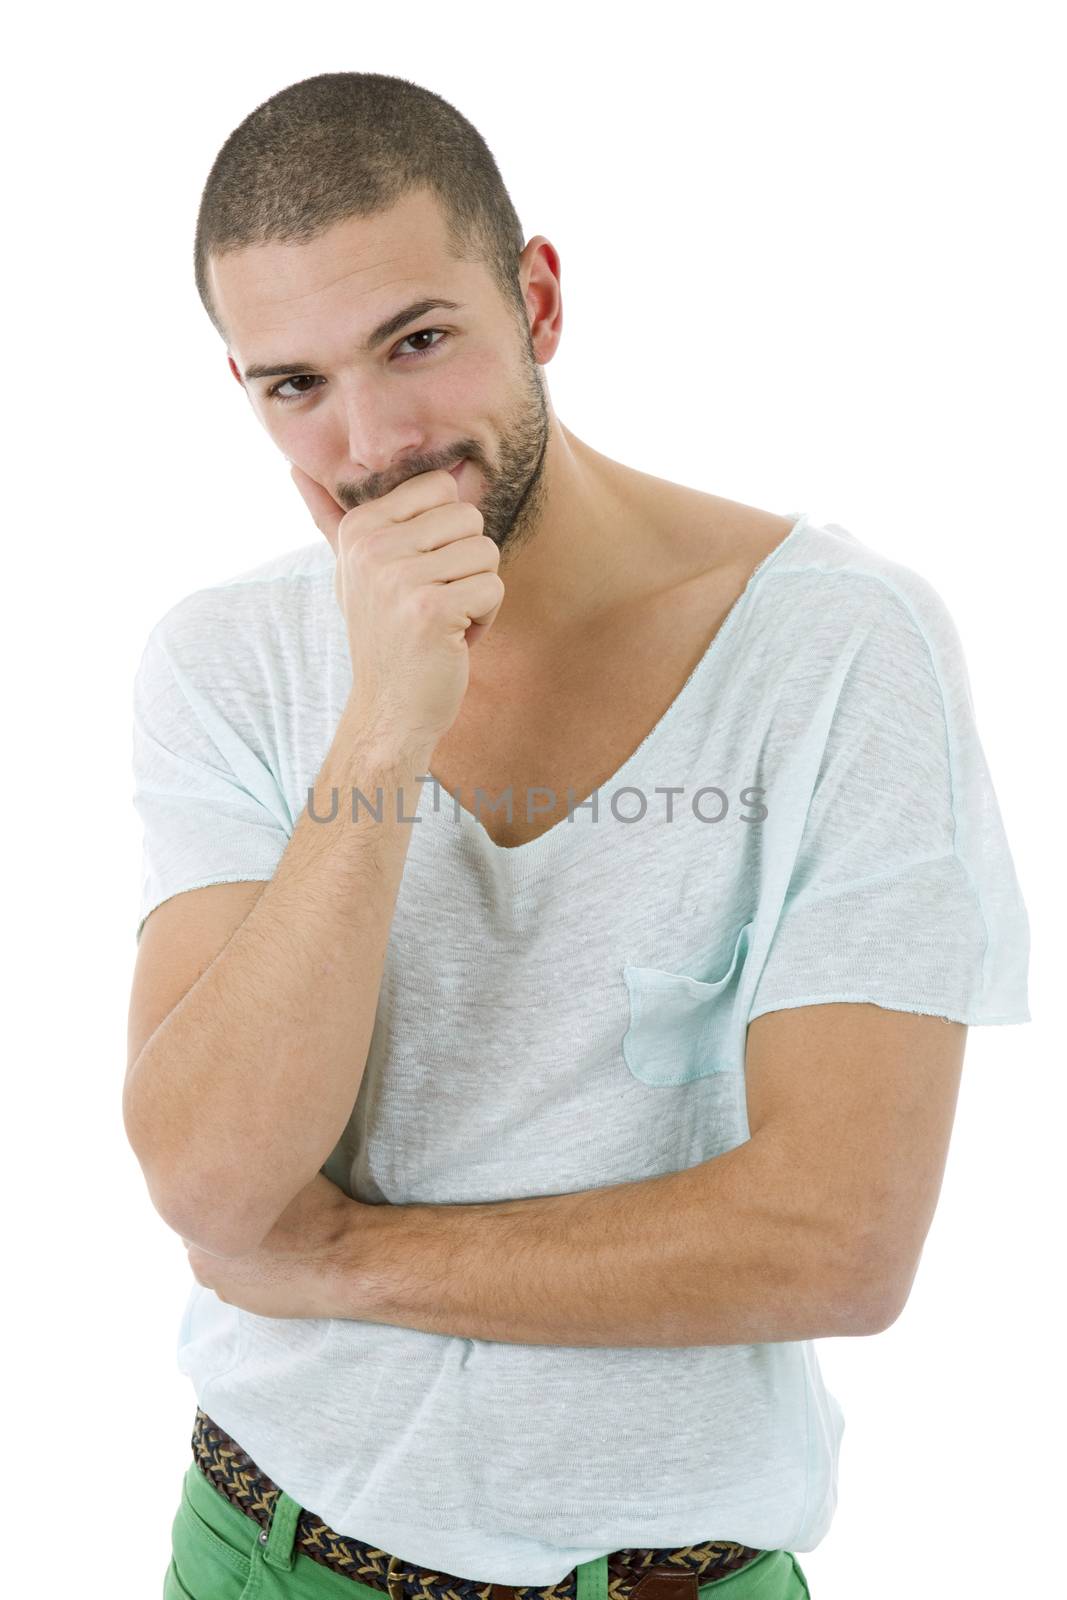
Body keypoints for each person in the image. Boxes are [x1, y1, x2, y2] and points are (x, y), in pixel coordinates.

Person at [124, 71, 1030, 1600]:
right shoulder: (230, 659)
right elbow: (216, 1188)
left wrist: (338, 1261)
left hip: (667, 1578)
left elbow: (839, 1242)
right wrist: (385, 728)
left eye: (418, 342)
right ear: (247, 393)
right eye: (297, 386)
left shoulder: (837, 649)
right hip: (263, 1552)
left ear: (537, 300)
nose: (375, 440)